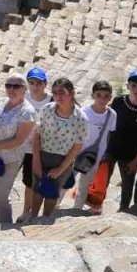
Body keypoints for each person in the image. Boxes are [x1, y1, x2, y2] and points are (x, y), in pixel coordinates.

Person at [0, 72, 37, 225]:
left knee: (1, 194)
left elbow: (18, 140)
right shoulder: (0, 102)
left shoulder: (28, 112)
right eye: (8, 85)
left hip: (9, 159)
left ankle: (5, 224)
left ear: (25, 89)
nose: (11, 89)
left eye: (16, 86)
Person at [29, 78, 88, 218]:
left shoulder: (81, 118)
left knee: (52, 193)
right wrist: (36, 160)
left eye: (62, 92)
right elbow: (37, 134)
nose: (57, 97)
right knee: (37, 190)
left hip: (63, 160)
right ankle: (33, 218)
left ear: (71, 93)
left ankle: (45, 220)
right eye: (55, 93)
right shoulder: (47, 110)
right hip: (42, 155)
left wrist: (61, 169)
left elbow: (77, 146)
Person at [107, 71, 137, 212]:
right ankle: (96, 206)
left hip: (130, 156)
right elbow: (109, 126)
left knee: (127, 186)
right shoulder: (118, 102)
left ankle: (123, 211)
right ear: (128, 86)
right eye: (133, 85)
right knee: (102, 180)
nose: (136, 89)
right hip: (111, 151)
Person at [74, 81, 117, 213]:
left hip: (95, 157)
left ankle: (76, 212)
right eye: (99, 95)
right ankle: (54, 207)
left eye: (106, 96)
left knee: (84, 187)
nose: (102, 99)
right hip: (76, 153)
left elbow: (110, 134)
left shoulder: (112, 115)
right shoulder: (83, 112)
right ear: (93, 95)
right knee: (66, 183)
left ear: (110, 98)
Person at [20, 67, 52, 219]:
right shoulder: (23, 97)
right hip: (25, 147)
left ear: (45, 84)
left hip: (45, 148)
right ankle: (26, 211)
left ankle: (39, 213)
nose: (35, 86)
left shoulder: (51, 99)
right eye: (31, 82)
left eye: (39, 83)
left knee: (42, 180)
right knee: (29, 182)